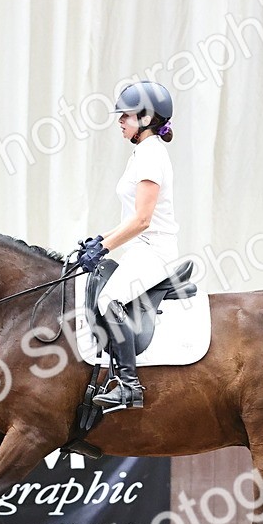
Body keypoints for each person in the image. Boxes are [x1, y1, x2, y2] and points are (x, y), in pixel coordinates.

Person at [77, 81, 177, 412]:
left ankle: (129, 386)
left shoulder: (150, 155)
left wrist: (104, 248)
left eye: (126, 116)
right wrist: (100, 240)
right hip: (142, 248)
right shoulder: (142, 153)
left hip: (155, 250)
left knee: (109, 300)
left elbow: (143, 220)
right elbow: (132, 218)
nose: (120, 121)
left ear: (146, 119)